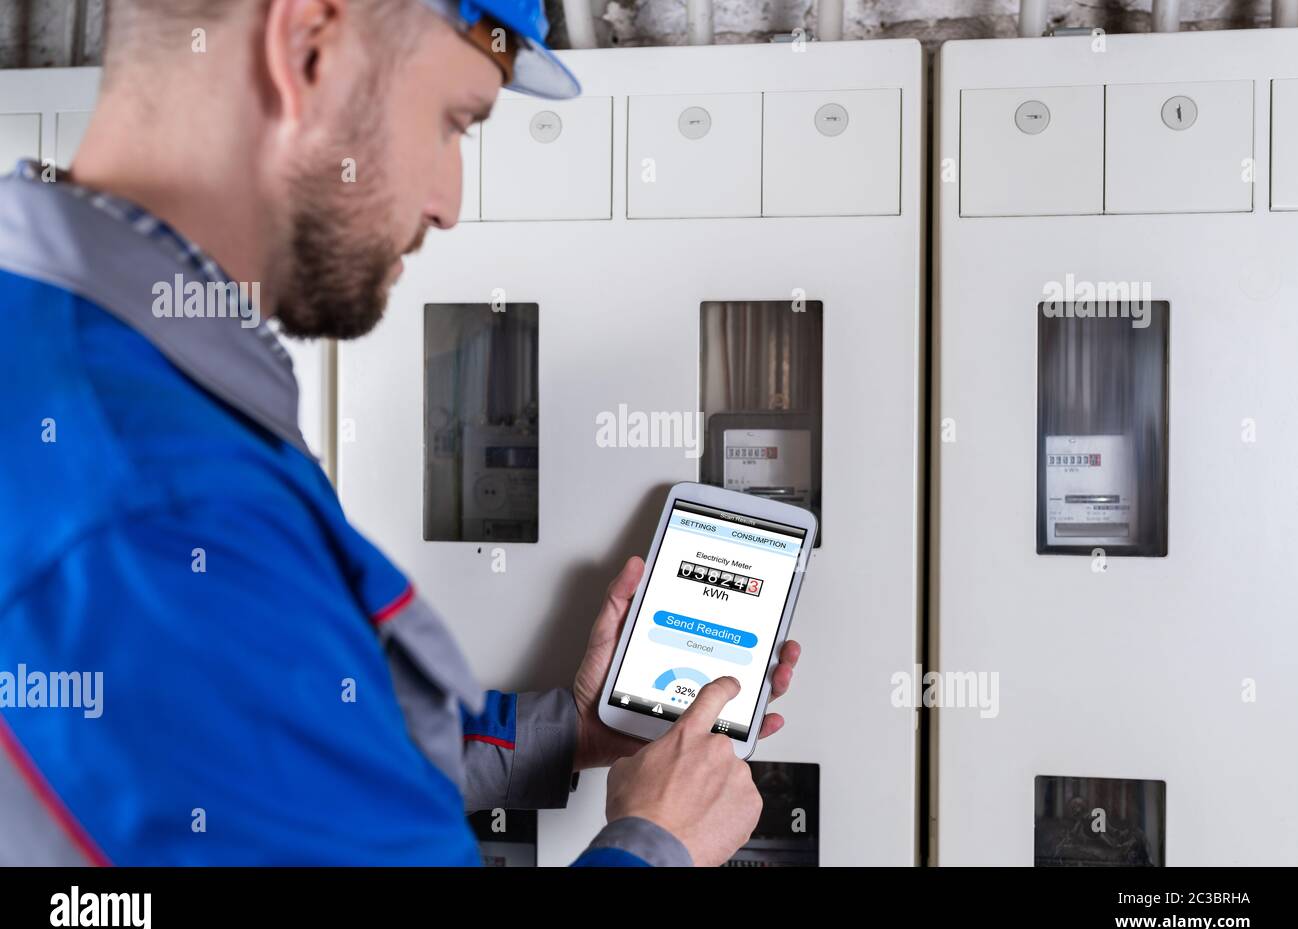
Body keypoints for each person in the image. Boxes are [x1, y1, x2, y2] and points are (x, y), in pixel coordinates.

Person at [0, 0, 801, 866]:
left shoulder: (105, 365)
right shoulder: (162, 497)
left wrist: (571, 730)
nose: (449, 203)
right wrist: (655, 845)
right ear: (307, 46)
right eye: (453, 123)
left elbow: (313, 758)